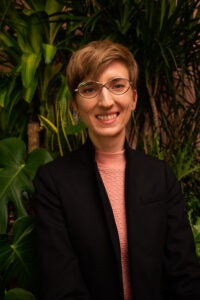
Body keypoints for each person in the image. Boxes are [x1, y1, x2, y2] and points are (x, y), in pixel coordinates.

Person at [34, 39, 200, 300]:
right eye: (89, 89)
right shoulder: (53, 182)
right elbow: (61, 286)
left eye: (117, 85)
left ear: (133, 98)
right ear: (75, 105)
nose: (105, 100)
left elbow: (184, 276)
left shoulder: (160, 176)